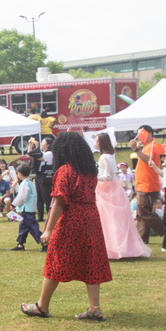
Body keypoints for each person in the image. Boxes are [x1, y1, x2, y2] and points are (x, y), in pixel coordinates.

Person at [21, 131, 111, 321]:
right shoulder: (90, 170)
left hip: (71, 219)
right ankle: (94, 307)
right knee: (91, 260)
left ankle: (42, 306)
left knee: (56, 259)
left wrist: (48, 229)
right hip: (91, 218)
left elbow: (60, 202)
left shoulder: (65, 171)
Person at [93, 133, 150, 260]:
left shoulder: (104, 157)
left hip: (107, 190)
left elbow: (108, 176)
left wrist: (93, 178)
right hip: (111, 188)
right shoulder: (109, 155)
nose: (95, 143)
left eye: (97, 141)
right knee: (115, 219)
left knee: (109, 219)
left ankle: (114, 248)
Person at [129, 125, 166, 244]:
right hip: (143, 184)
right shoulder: (147, 146)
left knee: (145, 213)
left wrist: (136, 150)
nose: (139, 137)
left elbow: (148, 160)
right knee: (141, 214)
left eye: (141, 134)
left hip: (148, 185)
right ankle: (142, 239)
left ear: (149, 134)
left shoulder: (152, 146)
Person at [9, 163, 43, 251]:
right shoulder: (31, 183)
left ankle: (45, 242)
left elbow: (21, 196)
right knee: (23, 227)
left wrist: (13, 205)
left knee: (33, 227)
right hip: (30, 208)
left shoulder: (24, 184)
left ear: (19, 173)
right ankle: (20, 244)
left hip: (27, 209)